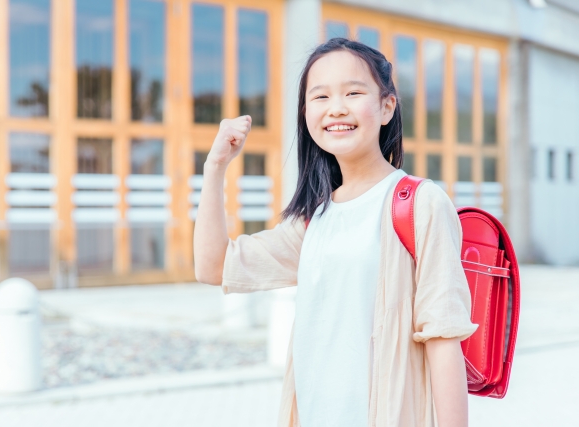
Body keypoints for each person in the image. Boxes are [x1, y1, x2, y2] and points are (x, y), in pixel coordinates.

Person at [193, 38, 477, 427]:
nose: (336, 108)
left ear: (386, 106)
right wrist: (215, 167)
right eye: (320, 96)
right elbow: (213, 267)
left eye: (353, 92)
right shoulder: (313, 218)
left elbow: (444, 336)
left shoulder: (419, 203)